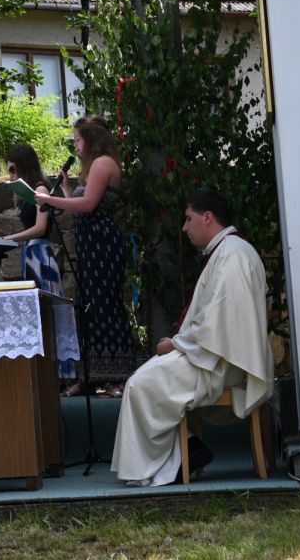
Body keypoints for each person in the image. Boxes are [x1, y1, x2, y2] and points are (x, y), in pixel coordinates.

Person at [112, 189, 274, 486]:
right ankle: (188, 449)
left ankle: (165, 464)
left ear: (207, 217)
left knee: (139, 385)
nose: (185, 228)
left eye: (188, 219)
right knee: (143, 379)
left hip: (222, 362)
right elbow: (220, 320)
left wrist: (175, 344)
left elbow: (220, 324)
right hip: (216, 355)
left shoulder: (232, 255)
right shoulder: (229, 251)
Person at [35, 115, 136, 395]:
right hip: (91, 245)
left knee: (107, 306)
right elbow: (80, 206)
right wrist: (67, 189)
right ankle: (92, 375)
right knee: (89, 307)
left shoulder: (103, 163)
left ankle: (122, 375)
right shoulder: (93, 167)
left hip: (103, 244)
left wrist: (49, 199)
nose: (76, 146)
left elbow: (89, 204)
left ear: (91, 139)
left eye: (78, 140)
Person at [6, 145, 81, 382]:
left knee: (49, 314)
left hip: (40, 256)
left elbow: (40, 228)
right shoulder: (30, 191)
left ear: (24, 165)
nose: (11, 175)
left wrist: (8, 239)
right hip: (31, 254)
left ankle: (60, 373)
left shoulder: (40, 189)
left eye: (13, 169)